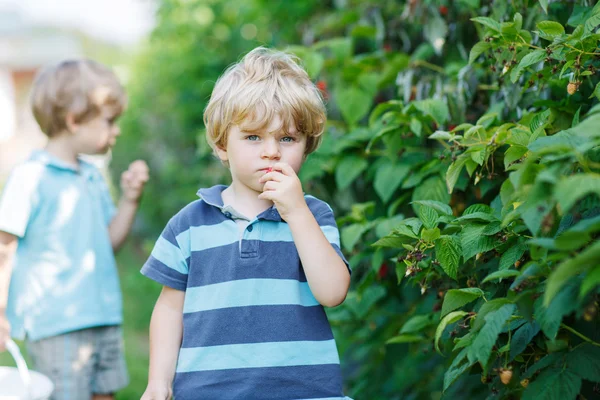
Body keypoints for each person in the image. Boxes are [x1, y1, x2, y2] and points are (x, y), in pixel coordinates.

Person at [140, 47, 352, 400]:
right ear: (223, 144)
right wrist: (158, 383)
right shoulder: (189, 225)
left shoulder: (313, 215)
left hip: (303, 391)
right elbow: (168, 309)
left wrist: (296, 212)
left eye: (287, 138)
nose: (271, 151)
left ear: (306, 146)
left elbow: (332, 293)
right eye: (253, 137)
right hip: (208, 391)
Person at [0, 59, 149, 400]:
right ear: (73, 120)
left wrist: (129, 200)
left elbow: (108, 242)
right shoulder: (31, 177)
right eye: (110, 121)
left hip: (102, 315)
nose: (117, 130)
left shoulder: (92, 176)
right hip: (57, 325)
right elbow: (3, 248)